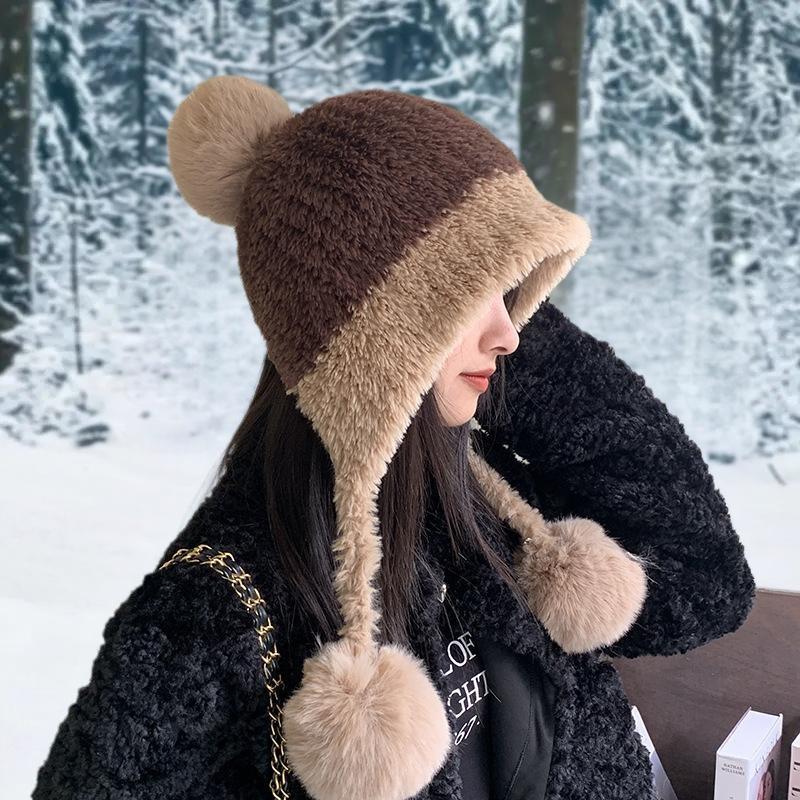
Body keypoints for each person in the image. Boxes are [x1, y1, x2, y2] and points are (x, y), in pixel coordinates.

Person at [32, 75, 756, 800]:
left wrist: (491, 331)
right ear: (381, 332)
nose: (509, 334)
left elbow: (703, 582)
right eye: (468, 292)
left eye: (508, 290)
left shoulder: (492, 502)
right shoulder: (214, 607)